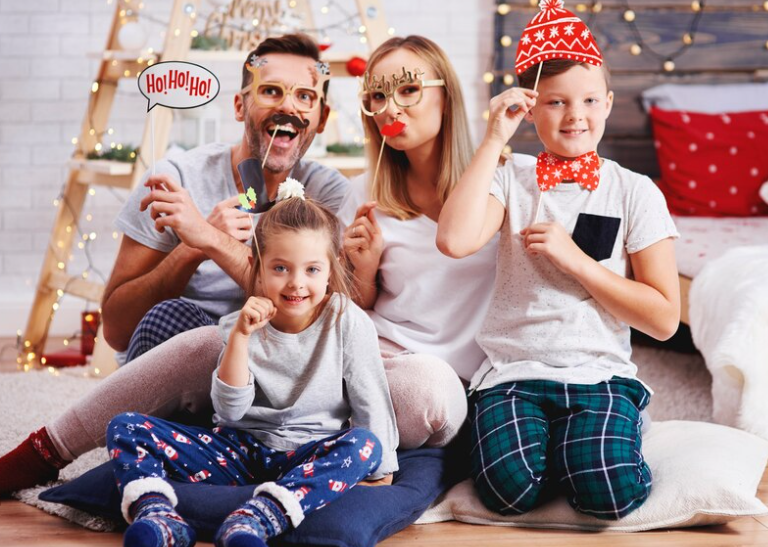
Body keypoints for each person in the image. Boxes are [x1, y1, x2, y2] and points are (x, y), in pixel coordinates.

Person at [436, 56, 681, 519]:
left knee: (611, 495)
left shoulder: (634, 191)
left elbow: (665, 320)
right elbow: (453, 240)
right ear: (530, 109)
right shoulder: (511, 177)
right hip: (514, 376)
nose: (575, 115)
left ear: (607, 104)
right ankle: (566, 454)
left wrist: (577, 261)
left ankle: (600, 443)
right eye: (556, 102)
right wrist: (493, 139)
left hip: (599, 375)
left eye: (590, 100)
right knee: (506, 492)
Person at [107, 185, 398, 547]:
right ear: (258, 270)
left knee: (366, 446)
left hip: (307, 453)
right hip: (239, 450)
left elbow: (370, 395)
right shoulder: (237, 325)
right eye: (280, 268)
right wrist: (242, 338)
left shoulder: (345, 320)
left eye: (311, 269)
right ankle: (160, 516)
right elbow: (229, 409)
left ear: (329, 271)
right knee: (125, 427)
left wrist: (381, 470)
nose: (296, 283)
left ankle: (256, 518)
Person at [101, 33, 348, 362]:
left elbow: (323, 322)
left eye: (305, 96)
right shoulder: (177, 180)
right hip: (187, 359)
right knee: (177, 321)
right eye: (271, 91)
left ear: (322, 119)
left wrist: (210, 239)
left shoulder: (328, 194)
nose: (287, 106)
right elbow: (117, 331)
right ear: (239, 106)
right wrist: (190, 250)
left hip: (274, 362)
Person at [337, 35, 499, 449]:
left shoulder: (501, 183)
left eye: (409, 90)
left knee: (424, 393)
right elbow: (349, 311)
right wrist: (366, 270)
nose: (390, 108)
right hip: (374, 354)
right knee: (219, 346)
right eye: (377, 96)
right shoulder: (363, 194)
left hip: (453, 382)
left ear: (446, 97)